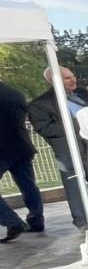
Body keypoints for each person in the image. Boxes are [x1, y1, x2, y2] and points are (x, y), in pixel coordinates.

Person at [27, 66, 88, 229]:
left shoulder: (84, 94)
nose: (73, 79)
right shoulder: (39, 104)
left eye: (73, 76)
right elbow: (45, 129)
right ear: (54, 80)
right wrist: (78, 124)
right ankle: (81, 220)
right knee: (74, 185)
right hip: (67, 151)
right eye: (68, 78)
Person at [0, 78, 43, 243]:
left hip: (2, 150)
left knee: (28, 184)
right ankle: (36, 220)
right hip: (21, 145)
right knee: (28, 185)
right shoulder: (15, 93)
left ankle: (13, 222)